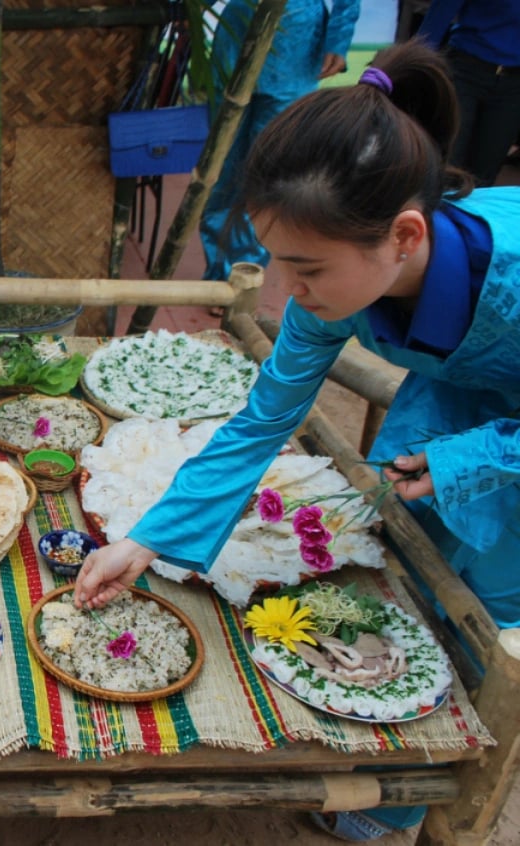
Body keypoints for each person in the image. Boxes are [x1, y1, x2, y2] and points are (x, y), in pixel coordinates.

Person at [76, 39, 520, 841]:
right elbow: (262, 420)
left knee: (492, 611)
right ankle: (383, 758)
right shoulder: (344, 283)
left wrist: (476, 458)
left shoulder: (513, 273)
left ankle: (411, 803)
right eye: (276, 263)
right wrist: (146, 541)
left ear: (407, 237)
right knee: (412, 566)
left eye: (304, 269)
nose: (286, 293)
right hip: (456, 395)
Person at [199, 0, 361, 285]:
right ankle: (218, 272)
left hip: (295, 43)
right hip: (238, 35)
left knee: (270, 167)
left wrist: (338, 38)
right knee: (222, 164)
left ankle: (243, 273)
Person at [418, 0, 520, 187]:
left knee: (485, 173)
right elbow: (439, 16)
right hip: (466, 70)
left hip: (513, 84)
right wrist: (414, 66)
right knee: (447, 160)